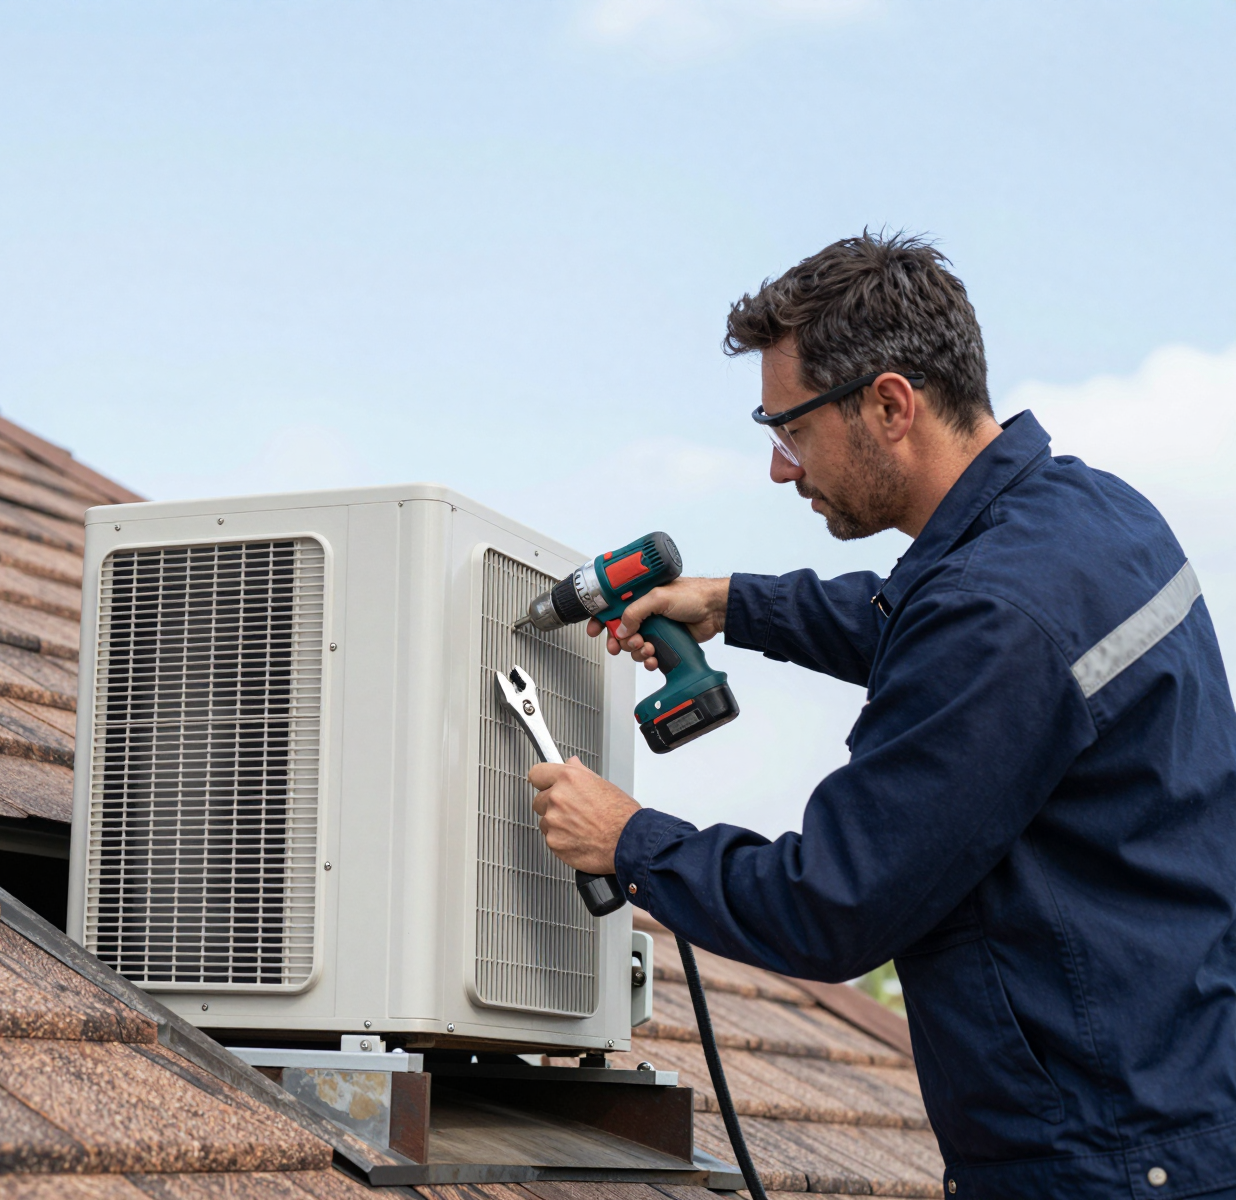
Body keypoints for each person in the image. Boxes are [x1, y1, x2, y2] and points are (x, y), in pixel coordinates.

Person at [528, 232, 1236, 1199]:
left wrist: (628, 840)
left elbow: (833, 906)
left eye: (791, 432)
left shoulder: (994, 615)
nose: (782, 470)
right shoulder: (1092, 517)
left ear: (890, 404)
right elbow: (928, 626)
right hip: (1178, 1101)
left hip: (1095, 1163)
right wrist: (736, 603)